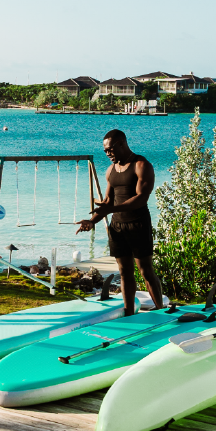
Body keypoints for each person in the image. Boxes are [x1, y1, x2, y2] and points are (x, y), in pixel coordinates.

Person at [75, 128, 164, 315]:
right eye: (105, 151)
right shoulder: (111, 171)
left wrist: (111, 209)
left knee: (146, 271)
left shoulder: (141, 165)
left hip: (138, 224)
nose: (107, 154)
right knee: (124, 272)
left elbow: (141, 198)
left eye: (110, 150)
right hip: (117, 227)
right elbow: (108, 203)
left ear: (122, 144)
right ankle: (129, 312)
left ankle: (160, 310)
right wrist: (92, 222)